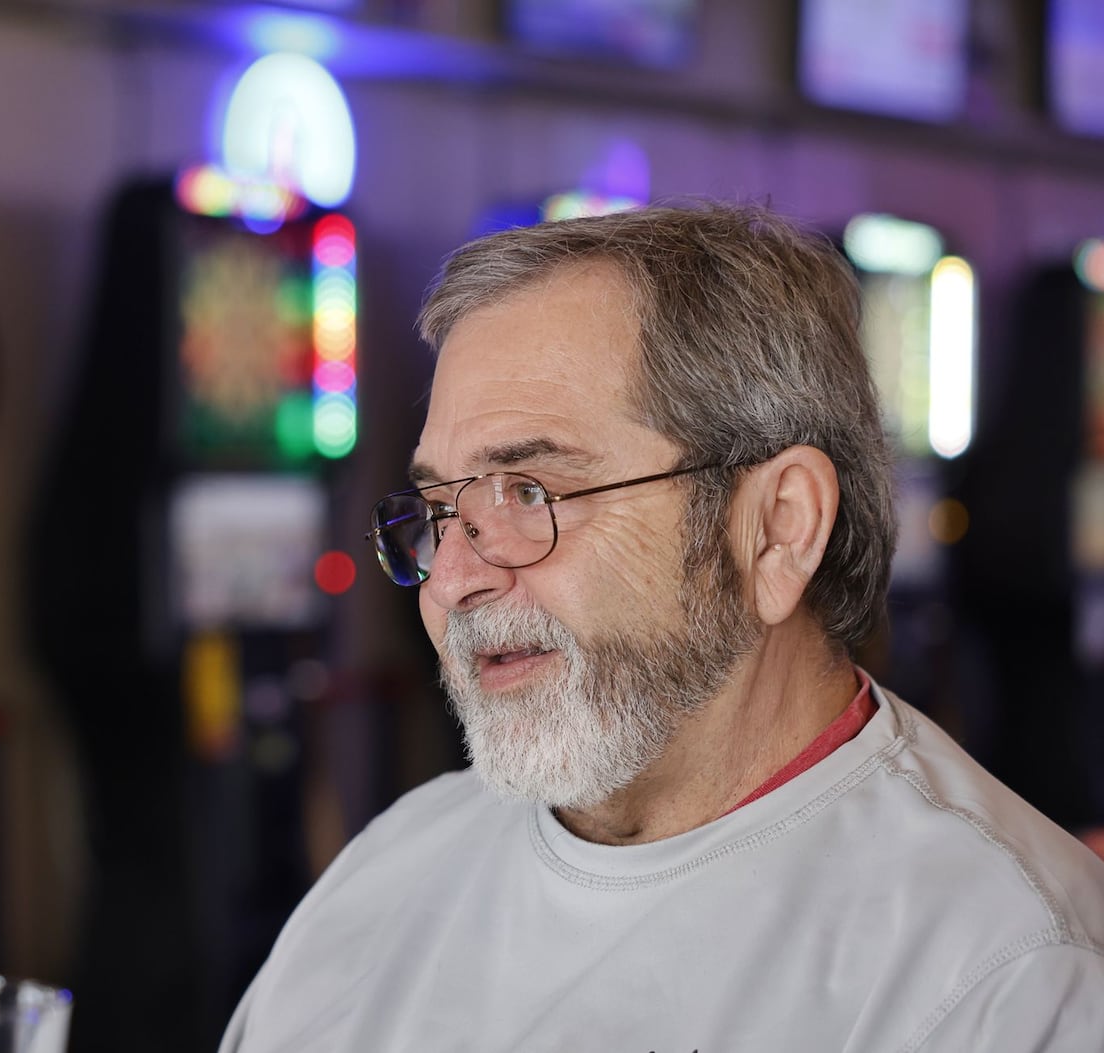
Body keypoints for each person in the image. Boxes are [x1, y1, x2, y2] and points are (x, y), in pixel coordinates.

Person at [218, 201, 1104, 1051]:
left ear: (777, 528)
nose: (451, 580)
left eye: (530, 493)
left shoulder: (1009, 974)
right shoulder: (386, 872)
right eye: (440, 509)